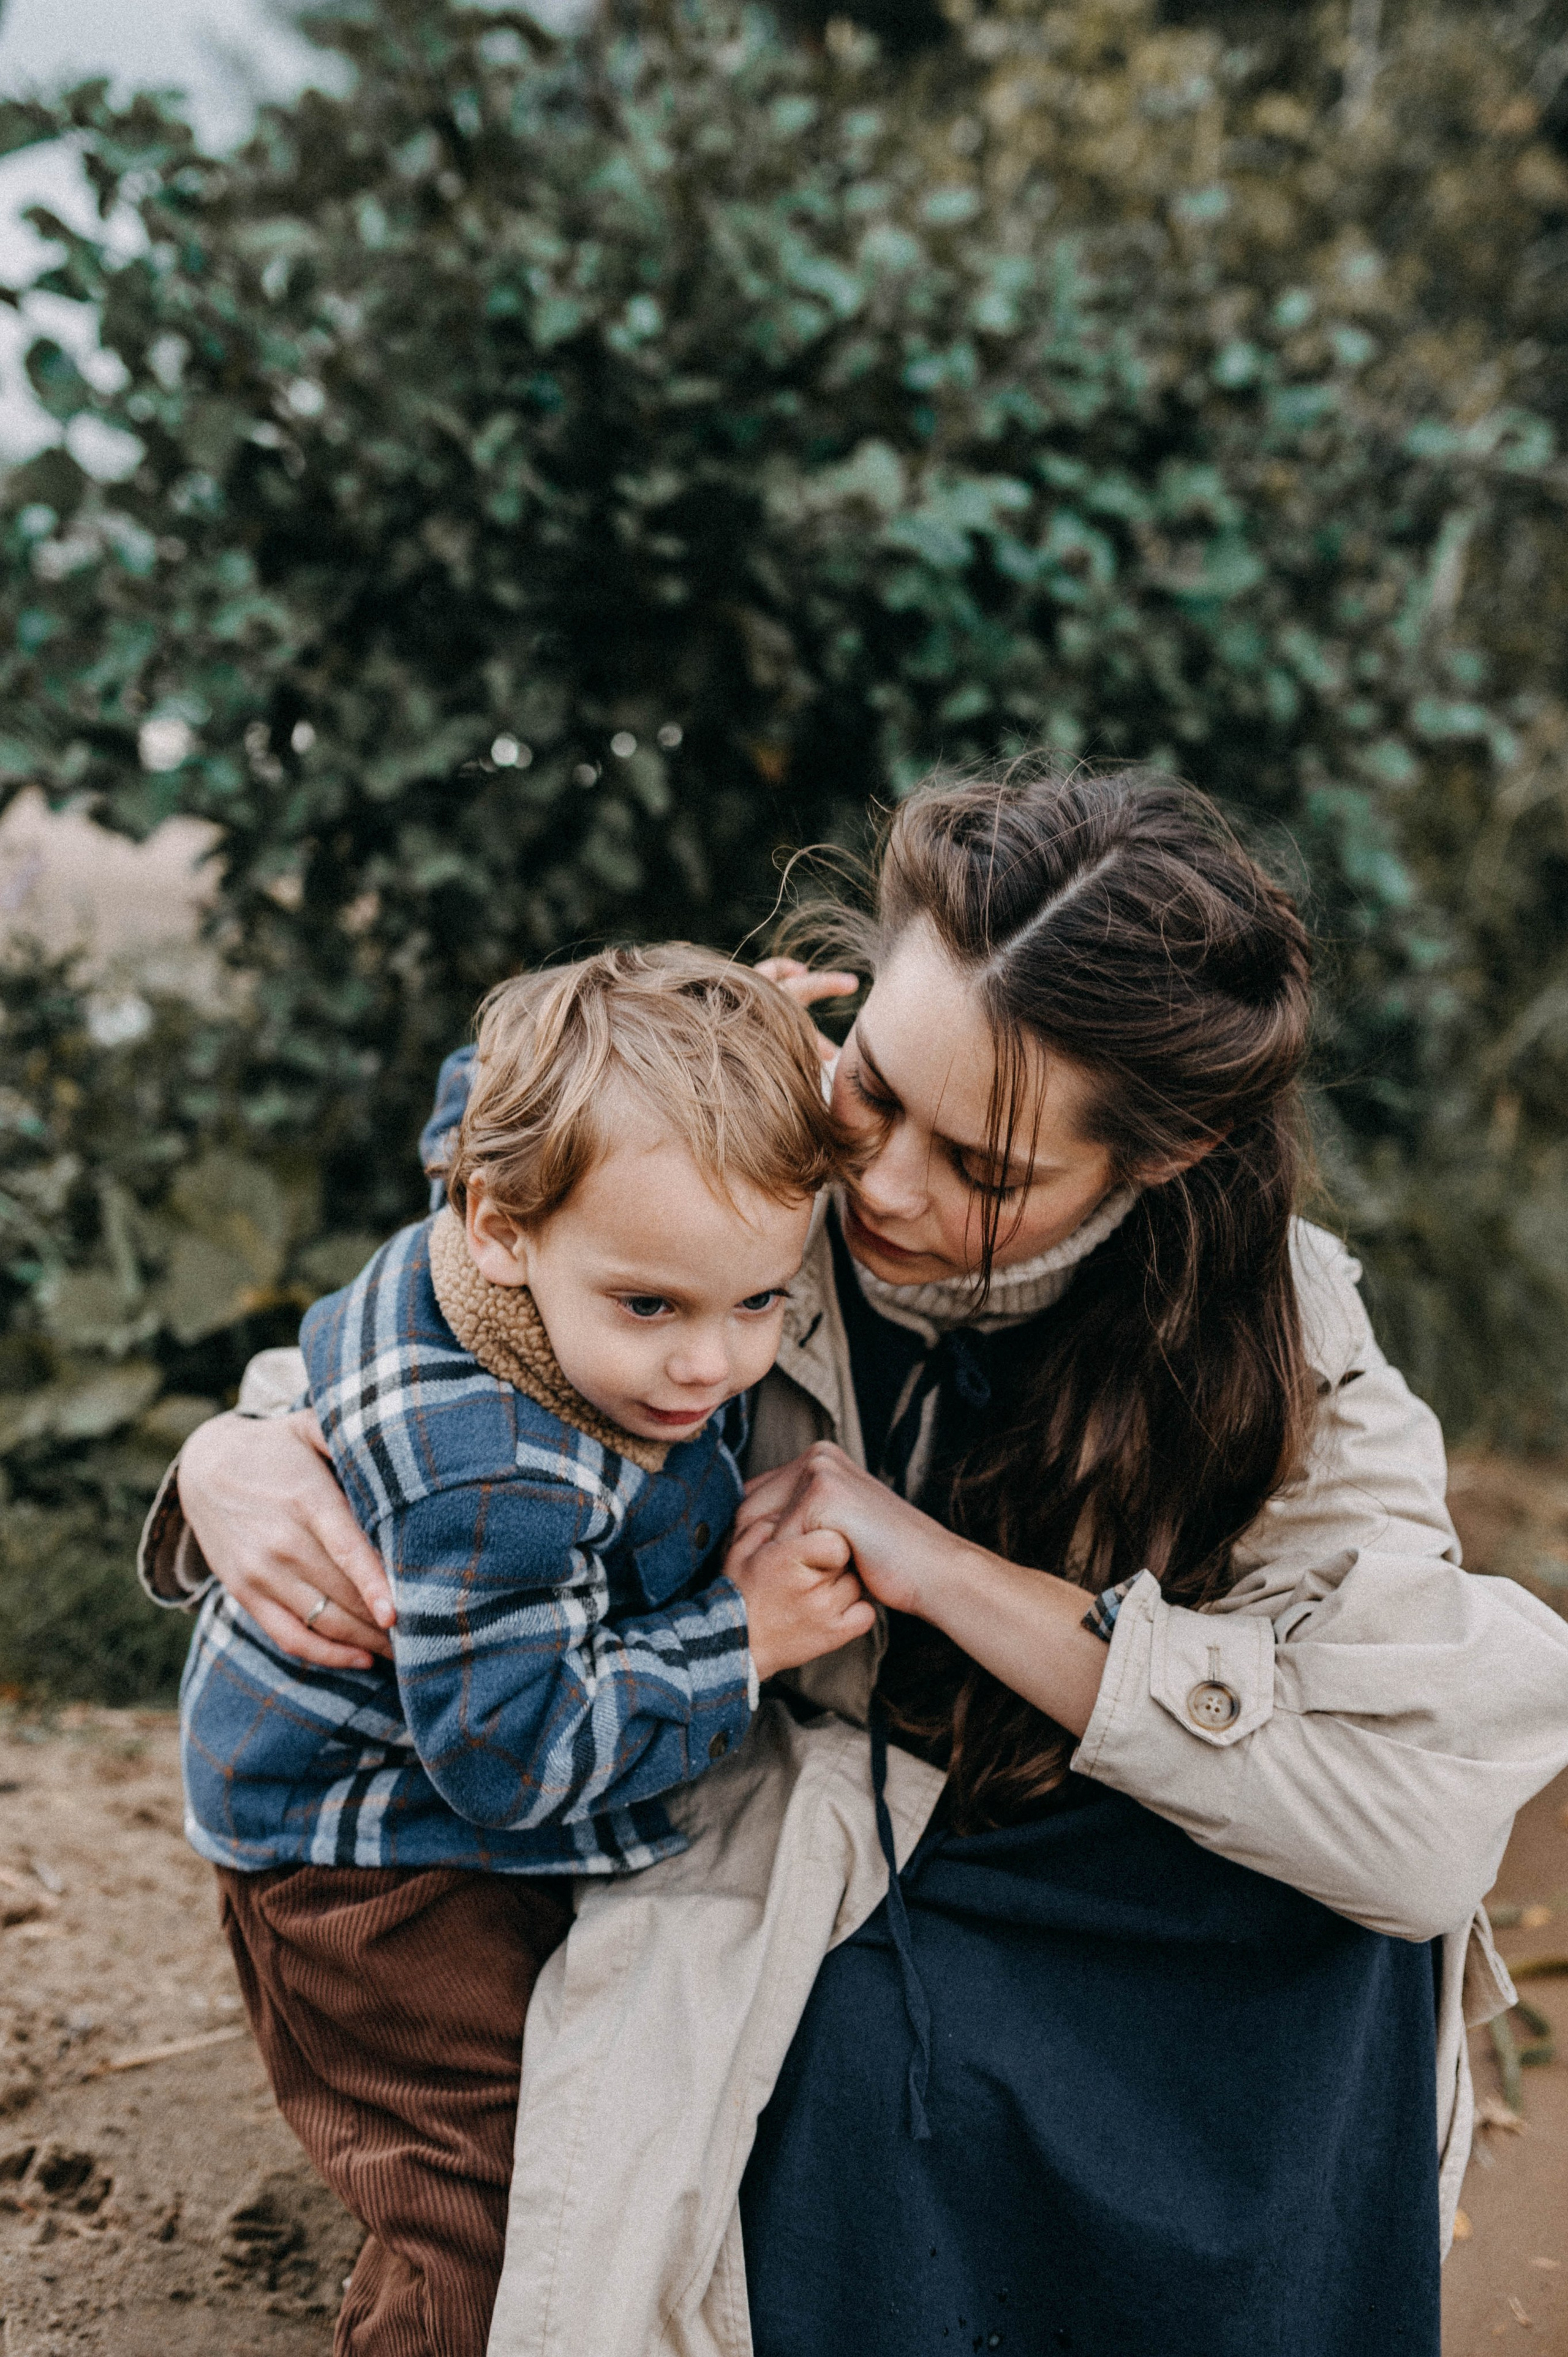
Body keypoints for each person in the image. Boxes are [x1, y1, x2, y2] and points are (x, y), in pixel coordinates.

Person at [146, 766, 1568, 2357]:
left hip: (1070, 1826)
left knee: (1345, 1939)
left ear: (1158, 1164)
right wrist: (235, 1444)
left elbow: (1422, 1838)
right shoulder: (736, 1150)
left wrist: (942, 1569)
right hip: (765, 1805)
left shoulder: (1284, 1331)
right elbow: (479, 1292)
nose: (883, 1186)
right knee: (763, 2062)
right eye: (876, 1089)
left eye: (989, 1170)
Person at [173, 943, 873, 2357]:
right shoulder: (495, 1471)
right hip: (370, 1866)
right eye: (653, 1306)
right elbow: (509, 1752)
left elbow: (477, 1092)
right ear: (499, 1226)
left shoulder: (519, 1182)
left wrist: (711, 1025)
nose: (712, 1367)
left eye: (758, 1303)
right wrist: (743, 1636)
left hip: (415, 1776)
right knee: (483, 2199)